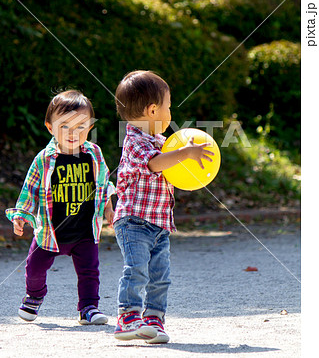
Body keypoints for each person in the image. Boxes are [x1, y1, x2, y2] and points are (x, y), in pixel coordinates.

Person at [113, 70, 214, 343]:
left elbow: (169, 170)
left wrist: (186, 161)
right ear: (153, 109)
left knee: (160, 276)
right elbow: (155, 164)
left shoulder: (161, 141)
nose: (170, 113)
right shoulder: (134, 141)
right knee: (137, 269)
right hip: (134, 221)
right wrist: (185, 153)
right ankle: (128, 317)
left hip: (159, 223)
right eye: (169, 106)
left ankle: (154, 319)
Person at [6, 90, 115, 325]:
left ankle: (88, 308)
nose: (74, 133)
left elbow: (104, 184)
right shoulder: (44, 159)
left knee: (89, 271)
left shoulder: (94, 154)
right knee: (34, 269)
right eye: (65, 126)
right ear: (50, 127)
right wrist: (21, 215)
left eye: (81, 126)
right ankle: (34, 296)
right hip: (50, 232)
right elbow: (31, 189)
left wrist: (108, 209)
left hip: (85, 231)